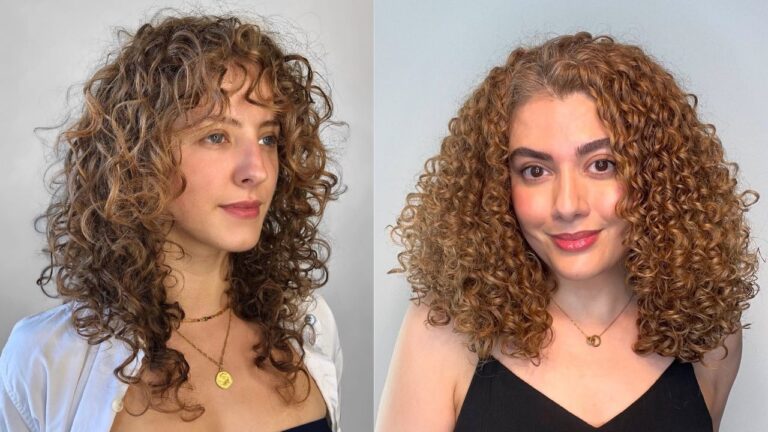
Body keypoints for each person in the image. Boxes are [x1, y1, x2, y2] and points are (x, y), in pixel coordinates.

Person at [377, 32, 759, 432]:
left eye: (602, 164)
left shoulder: (710, 336)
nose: (567, 205)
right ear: (495, 187)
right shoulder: (442, 331)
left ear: (657, 175)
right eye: (535, 171)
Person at [0, 14, 343, 432]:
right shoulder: (47, 358)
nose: (257, 171)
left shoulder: (309, 326)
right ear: (140, 156)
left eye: (268, 138)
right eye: (216, 136)